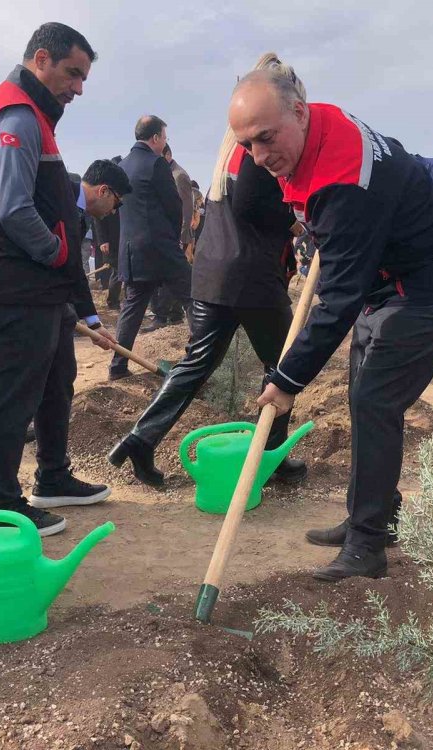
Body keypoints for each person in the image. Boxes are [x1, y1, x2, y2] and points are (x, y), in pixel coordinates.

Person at [229, 69, 433, 582]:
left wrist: (287, 379)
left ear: (298, 112)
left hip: (430, 282)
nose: (258, 156)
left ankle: (368, 546)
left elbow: (337, 298)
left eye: (265, 138)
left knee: (374, 400)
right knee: (364, 394)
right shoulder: (318, 127)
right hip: (387, 275)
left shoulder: (344, 180)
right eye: (246, 144)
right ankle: (375, 516)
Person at [109, 53, 308, 488]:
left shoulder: (226, 151)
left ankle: (141, 439)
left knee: (196, 363)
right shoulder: (252, 148)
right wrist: (294, 220)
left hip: (214, 275)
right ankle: (268, 457)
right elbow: (253, 204)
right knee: (284, 365)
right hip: (251, 276)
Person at [0, 23, 124, 535]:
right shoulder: (17, 114)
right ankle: (1, 501)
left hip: (42, 286)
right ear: (42, 59)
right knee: (15, 391)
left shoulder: (38, 114)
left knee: (57, 380)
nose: (78, 88)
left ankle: (53, 476)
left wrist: (78, 300)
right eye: (72, 73)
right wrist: (58, 251)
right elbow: (13, 208)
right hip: (19, 284)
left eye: (83, 77)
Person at [110, 115, 193, 380]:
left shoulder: (121, 166)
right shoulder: (156, 164)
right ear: (155, 138)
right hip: (159, 247)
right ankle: (203, 357)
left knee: (132, 308)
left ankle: (117, 367)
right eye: (165, 138)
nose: (164, 144)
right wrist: (172, 237)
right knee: (192, 295)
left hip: (132, 250)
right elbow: (174, 206)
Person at [145, 142, 195, 330]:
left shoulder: (178, 175)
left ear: (167, 154)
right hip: (168, 235)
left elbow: (186, 211)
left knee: (172, 276)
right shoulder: (164, 173)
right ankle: (173, 315)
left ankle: (163, 315)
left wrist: (181, 238)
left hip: (177, 236)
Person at [91, 155, 122, 310]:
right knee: (117, 269)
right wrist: (102, 240)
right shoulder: (103, 190)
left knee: (120, 269)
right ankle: (112, 301)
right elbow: (98, 216)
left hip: (123, 236)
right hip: (110, 238)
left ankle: (117, 299)